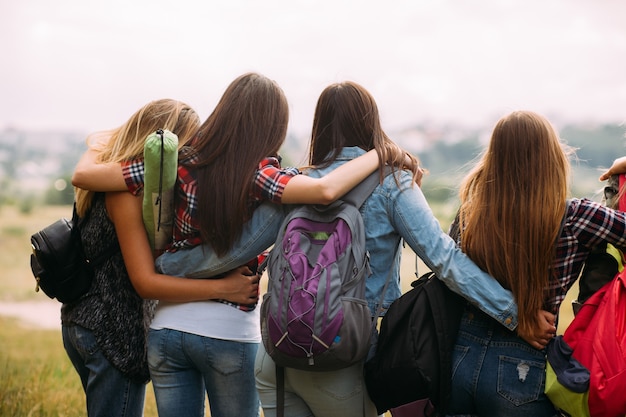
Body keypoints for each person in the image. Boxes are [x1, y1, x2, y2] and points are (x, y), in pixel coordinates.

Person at [72, 72, 389, 417]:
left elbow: (86, 176)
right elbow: (325, 190)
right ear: (273, 127)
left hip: (166, 330)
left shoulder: (174, 161)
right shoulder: (258, 173)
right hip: (228, 331)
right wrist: (379, 154)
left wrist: (97, 143)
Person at [252, 82, 556, 417]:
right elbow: (445, 260)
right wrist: (513, 314)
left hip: (275, 354)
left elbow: (249, 245)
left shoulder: (298, 180)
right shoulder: (392, 182)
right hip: (337, 356)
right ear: (371, 123)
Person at [445, 110, 626, 417]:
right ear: (552, 159)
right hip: (522, 369)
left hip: (458, 359)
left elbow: (457, 280)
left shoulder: (470, 216)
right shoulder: (576, 217)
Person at [62, 98, 203, 417]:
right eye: (187, 147)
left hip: (81, 319)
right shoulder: (126, 194)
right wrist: (226, 289)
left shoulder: (102, 170)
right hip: (113, 332)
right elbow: (144, 282)